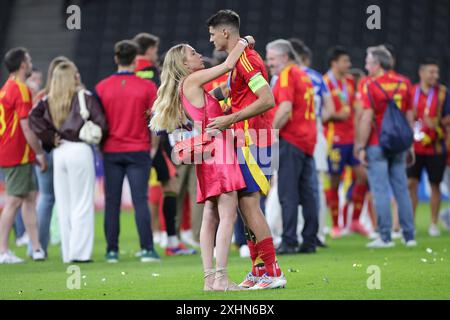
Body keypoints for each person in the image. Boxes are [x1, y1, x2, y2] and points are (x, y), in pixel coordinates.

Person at [149, 37, 253, 290]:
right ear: (184, 63)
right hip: (218, 150)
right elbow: (228, 65)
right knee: (227, 214)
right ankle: (222, 277)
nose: (199, 55)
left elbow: (202, 109)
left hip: (207, 154)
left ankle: (210, 279)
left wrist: (219, 95)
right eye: (193, 53)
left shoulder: (186, 86)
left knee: (210, 215)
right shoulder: (192, 80)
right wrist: (244, 41)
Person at [206, 10, 286, 290]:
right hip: (248, 138)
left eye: (213, 33)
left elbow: (268, 99)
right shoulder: (240, 58)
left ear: (225, 32)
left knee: (250, 206)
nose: (211, 39)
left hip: (255, 140)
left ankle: (273, 271)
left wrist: (229, 119)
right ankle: (259, 269)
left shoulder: (246, 59)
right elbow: (236, 94)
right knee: (244, 206)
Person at [29, 61, 107, 263]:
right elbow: (102, 123)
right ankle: (79, 253)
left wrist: (48, 137)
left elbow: (32, 118)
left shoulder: (48, 99)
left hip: (59, 150)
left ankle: (68, 253)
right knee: (81, 203)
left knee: (63, 204)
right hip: (80, 149)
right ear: (74, 77)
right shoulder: (85, 97)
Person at [96, 40, 160, 263]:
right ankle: (147, 250)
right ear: (135, 60)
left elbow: (97, 122)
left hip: (111, 151)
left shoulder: (102, 87)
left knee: (111, 202)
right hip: (139, 150)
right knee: (140, 200)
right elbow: (155, 121)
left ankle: (111, 251)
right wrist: (152, 147)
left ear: (116, 58)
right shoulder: (148, 87)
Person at [133, 32, 195, 255]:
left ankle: (149, 242)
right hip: (154, 140)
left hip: (129, 142)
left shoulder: (129, 74)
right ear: (149, 50)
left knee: (142, 193)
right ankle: (170, 241)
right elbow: (156, 110)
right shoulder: (154, 76)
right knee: (170, 187)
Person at [355, 45, 416, 248]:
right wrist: (410, 145)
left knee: (380, 191)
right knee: (401, 190)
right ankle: (409, 237)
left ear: (378, 64)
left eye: (368, 62)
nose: (366, 66)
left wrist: (361, 146)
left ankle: (385, 237)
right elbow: (409, 115)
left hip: (376, 143)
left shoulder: (370, 85)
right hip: (399, 144)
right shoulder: (405, 83)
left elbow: (366, 118)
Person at [266, 39, 319, 254]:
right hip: (307, 139)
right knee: (307, 193)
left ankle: (289, 240)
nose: (269, 64)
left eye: (272, 59)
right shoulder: (303, 74)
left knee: (288, 193)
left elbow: (285, 108)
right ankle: (310, 240)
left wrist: (271, 132)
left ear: (284, 57)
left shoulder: (287, 74)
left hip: (291, 139)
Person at [0, 47, 47, 264]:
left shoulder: (8, 87)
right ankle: (3, 251)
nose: (30, 62)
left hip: (14, 150)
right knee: (13, 201)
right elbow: (26, 127)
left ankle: (35, 247)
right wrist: (40, 153)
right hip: (17, 152)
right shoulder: (21, 89)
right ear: (22, 65)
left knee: (28, 198)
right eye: (28, 60)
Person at [323, 46, 368, 238]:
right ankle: (336, 225)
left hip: (352, 139)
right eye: (345, 61)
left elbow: (355, 108)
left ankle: (355, 220)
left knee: (363, 177)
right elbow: (322, 114)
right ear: (334, 63)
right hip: (334, 139)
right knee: (334, 181)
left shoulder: (350, 81)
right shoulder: (325, 82)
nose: (348, 65)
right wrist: (334, 115)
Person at [407, 58, 450, 237]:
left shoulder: (443, 93)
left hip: (436, 146)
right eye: (431, 72)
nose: (435, 76)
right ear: (421, 72)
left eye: (437, 72)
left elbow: (449, 116)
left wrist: (436, 123)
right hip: (414, 148)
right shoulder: (411, 92)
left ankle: (433, 223)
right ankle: (410, 223)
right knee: (411, 184)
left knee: (435, 185)